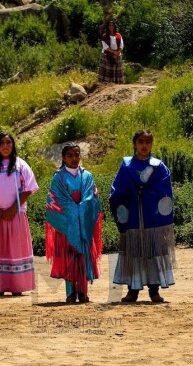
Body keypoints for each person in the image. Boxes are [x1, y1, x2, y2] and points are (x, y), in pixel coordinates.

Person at [110, 130, 175, 303]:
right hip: (132, 216)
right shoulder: (127, 165)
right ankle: (133, 290)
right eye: (140, 142)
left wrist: (146, 193)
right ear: (134, 144)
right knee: (134, 253)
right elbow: (118, 188)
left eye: (147, 142)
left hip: (151, 217)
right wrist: (130, 194)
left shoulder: (158, 166)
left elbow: (165, 190)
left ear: (152, 145)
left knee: (153, 251)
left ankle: (154, 290)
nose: (144, 145)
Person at [45, 143, 103, 304]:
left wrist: (82, 209)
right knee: (69, 258)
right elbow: (56, 199)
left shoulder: (87, 176)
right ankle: (70, 293)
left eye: (77, 155)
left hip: (83, 225)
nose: (74, 158)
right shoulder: (58, 177)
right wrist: (73, 211)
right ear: (63, 158)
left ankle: (83, 292)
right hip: (67, 226)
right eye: (70, 155)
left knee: (83, 258)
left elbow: (91, 197)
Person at [0, 133, 37, 296]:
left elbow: (28, 189)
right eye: (1, 143)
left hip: (16, 214)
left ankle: (17, 286)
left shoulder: (20, 165)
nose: (5, 146)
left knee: (16, 249)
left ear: (13, 145)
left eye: (8, 142)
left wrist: (12, 209)